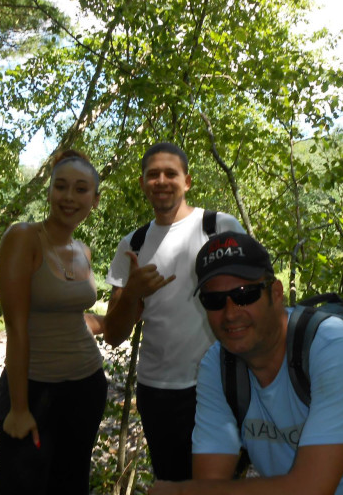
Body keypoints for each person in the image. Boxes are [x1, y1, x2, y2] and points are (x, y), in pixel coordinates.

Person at [149, 231, 343, 495]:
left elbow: (310, 489)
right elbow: (209, 483)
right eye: (214, 300)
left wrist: (182, 490)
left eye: (246, 294)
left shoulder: (336, 350)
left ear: (276, 293)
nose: (231, 313)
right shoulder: (218, 367)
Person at [105, 142, 246, 481]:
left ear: (187, 181)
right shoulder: (133, 245)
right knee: (171, 482)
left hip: (221, 383)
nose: (162, 180)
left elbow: (257, 302)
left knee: (220, 485)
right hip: (159, 390)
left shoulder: (219, 228)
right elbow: (113, 334)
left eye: (171, 173)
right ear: (142, 184)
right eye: (153, 174)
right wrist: (133, 294)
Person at [0, 150, 108, 494]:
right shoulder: (23, 238)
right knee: (20, 485)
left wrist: (133, 300)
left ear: (95, 199)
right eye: (61, 187)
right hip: (34, 389)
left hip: (88, 386)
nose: (69, 197)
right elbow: (16, 326)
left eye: (81, 189)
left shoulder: (83, 250)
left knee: (71, 484)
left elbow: (71, 318)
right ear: (49, 192)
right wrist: (18, 407)